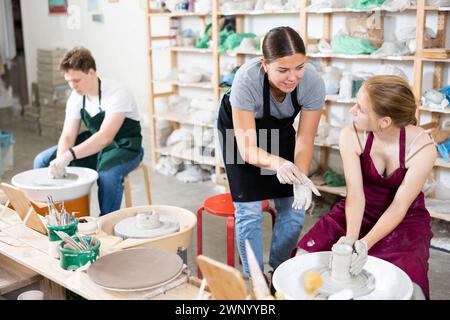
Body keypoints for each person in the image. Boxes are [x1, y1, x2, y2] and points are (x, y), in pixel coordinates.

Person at [293, 75, 437, 299]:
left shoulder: (423, 149)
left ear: (384, 121)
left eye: (360, 108)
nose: (352, 111)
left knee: (410, 285)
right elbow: (355, 195)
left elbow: (399, 205)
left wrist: (365, 243)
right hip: (357, 209)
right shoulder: (351, 135)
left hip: (405, 218)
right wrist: (351, 240)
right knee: (303, 255)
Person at [216, 26, 325, 277]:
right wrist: (279, 164)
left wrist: (301, 177)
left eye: (299, 67)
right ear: (265, 64)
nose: (293, 77)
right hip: (239, 133)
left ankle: (280, 272)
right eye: (283, 70)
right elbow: (247, 150)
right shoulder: (247, 80)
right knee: (249, 211)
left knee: (295, 210)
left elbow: (305, 138)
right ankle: (255, 278)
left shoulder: (312, 83)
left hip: (278, 130)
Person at [33, 47, 143, 216]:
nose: (73, 86)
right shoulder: (76, 96)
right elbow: (68, 135)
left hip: (124, 146)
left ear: (91, 73)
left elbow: (105, 137)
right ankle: (55, 216)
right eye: (69, 81)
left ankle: (105, 224)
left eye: (77, 80)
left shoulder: (117, 93)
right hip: (95, 145)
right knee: (42, 161)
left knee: (107, 174)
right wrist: (60, 160)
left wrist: (69, 156)